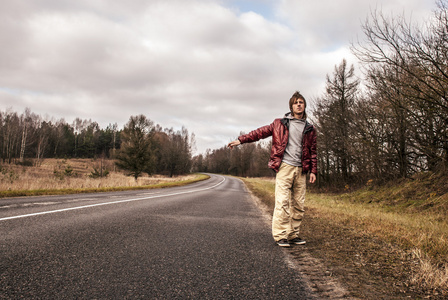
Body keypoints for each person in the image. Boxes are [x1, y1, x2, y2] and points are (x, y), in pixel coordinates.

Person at [228, 91, 317, 247]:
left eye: (301, 102)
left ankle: (293, 234)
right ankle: (280, 235)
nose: (298, 104)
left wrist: (313, 171)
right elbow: (259, 133)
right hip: (285, 167)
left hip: (301, 170)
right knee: (282, 202)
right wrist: (241, 140)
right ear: (291, 106)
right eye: (296, 102)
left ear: (304, 106)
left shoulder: (310, 128)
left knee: (298, 204)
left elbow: (313, 151)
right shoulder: (279, 123)